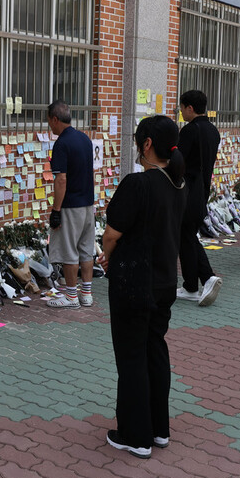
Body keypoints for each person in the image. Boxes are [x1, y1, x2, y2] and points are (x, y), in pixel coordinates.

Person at [96, 115, 185, 458]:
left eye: (138, 140)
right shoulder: (179, 184)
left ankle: (135, 435)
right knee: (154, 350)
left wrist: (107, 254)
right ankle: (158, 429)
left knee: (132, 357)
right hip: (164, 282)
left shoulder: (139, 184)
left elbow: (112, 233)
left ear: (147, 144)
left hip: (134, 283)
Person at [46, 100, 95, 308]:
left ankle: (71, 297)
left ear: (55, 119)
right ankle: (86, 294)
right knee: (86, 249)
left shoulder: (62, 144)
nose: (50, 126)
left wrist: (56, 210)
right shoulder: (85, 139)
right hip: (87, 204)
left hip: (70, 205)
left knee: (69, 251)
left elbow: (61, 180)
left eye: (49, 122)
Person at [175, 90, 222, 306]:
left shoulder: (189, 130)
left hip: (187, 191)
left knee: (187, 236)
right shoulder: (213, 131)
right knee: (186, 236)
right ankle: (190, 286)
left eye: (182, 108)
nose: (181, 112)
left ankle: (206, 277)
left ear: (190, 108)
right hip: (202, 190)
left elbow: (178, 161)